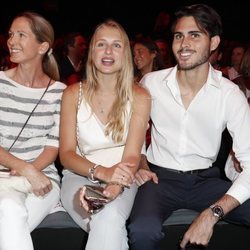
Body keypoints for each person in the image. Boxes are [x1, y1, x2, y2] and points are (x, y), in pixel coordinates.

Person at [128, 4, 250, 250]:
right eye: (178, 35)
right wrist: (140, 161)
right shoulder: (151, 83)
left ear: (213, 42)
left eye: (195, 35)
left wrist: (212, 213)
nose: (184, 44)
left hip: (205, 181)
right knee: (142, 231)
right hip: (159, 180)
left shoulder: (229, 94)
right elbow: (134, 133)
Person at [59, 19, 150, 250]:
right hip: (79, 177)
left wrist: (114, 186)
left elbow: (132, 156)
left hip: (124, 178)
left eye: (116, 45)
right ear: (91, 51)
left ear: (125, 53)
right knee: (110, 224)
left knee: (107, 219)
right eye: (101, 44)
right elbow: (66, 154)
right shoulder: (72, 94)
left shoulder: (140, 96)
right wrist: (102, 173)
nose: (108, 51)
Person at [0, 11, 66, 250]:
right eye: (10, 34)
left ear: (42, 47)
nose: (11, 41)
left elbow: (53, 145)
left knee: (9, 212)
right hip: (7, 178)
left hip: (43, 181)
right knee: (9, 209)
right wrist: (25, 168)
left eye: (21, 35)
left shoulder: (59, 91)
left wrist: (34, 170)